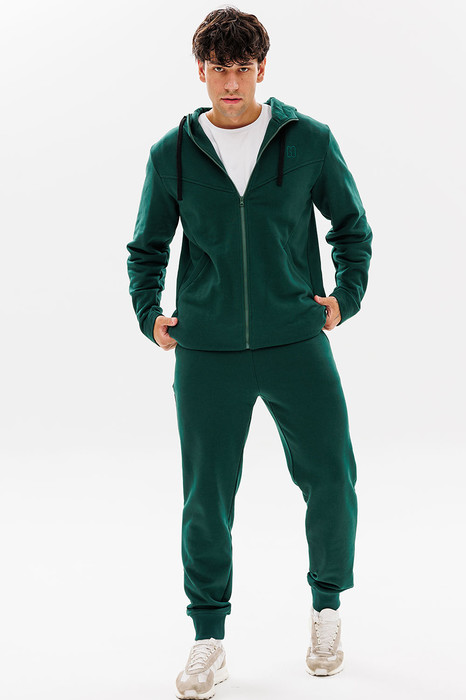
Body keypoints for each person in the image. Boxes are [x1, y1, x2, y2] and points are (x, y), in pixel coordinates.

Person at [126, 5, 373, 698]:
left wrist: (344, 298)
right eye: (218, 69)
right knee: (206, 497)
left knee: (332, 478)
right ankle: (209, 639)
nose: (230, 82)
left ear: (262, 70)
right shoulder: (171, 154)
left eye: (242, 68)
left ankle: (327, 610)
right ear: (200, 72)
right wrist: (150, 316)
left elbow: (352, 227)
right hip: (206, 351)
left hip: (296, 338)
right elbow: (146, 247)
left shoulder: (309, 140)